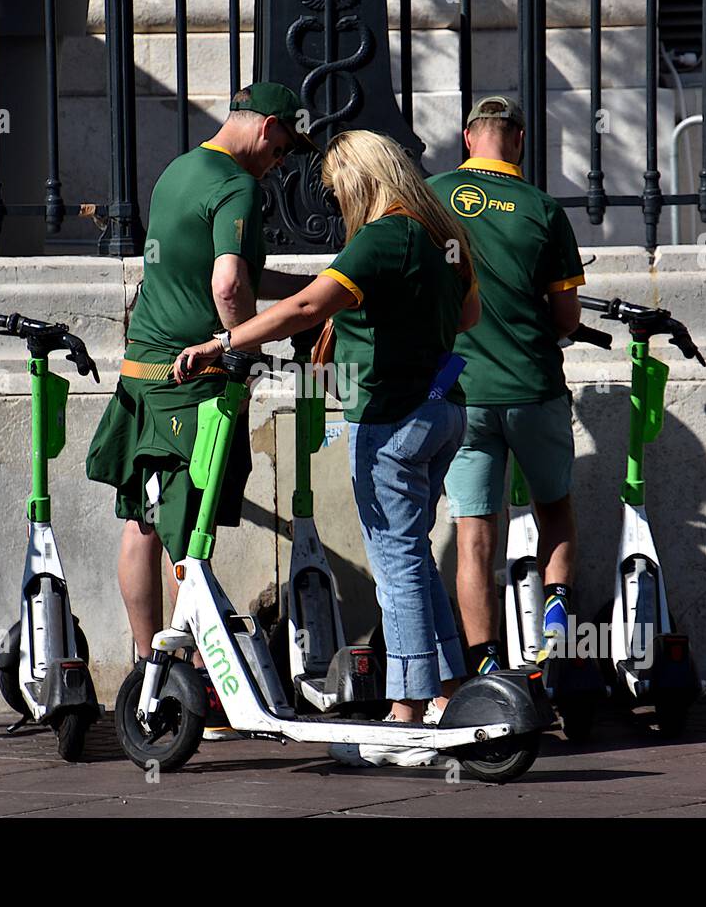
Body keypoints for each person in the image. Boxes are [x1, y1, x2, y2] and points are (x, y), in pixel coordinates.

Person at [174, 129, 481, 768]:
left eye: (341, 190)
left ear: (361, 181)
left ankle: (405, 711)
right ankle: (452, 692)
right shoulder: (441, 231)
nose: (341, 203)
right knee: (416, 558)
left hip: (392, 420)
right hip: (444, 409)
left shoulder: (384, 234)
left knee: (396, 565)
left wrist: (222, 344)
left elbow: (308, 303)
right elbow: (470, 315)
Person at [85, 82, 315, 723]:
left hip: (142, 370)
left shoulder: (178, 171)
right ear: (267, 127)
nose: (282, 163)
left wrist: (313, 292)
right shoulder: (240, 186)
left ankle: (146, 671)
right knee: (192, 532)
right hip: (194, 381)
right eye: (284, 149)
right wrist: (237, 348)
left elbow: (221, 266)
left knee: (141, 521)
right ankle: (184, 684)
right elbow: (228, 281)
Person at [427, 96, 586, 675]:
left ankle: (486, 664)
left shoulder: (431, 197)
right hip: (533, 386)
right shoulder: (542, 209)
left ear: (469, 138)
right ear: (518, 138)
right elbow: (566, 319)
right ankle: (555, 621)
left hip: (461, 392)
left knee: (474, 533)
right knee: (556, 512)